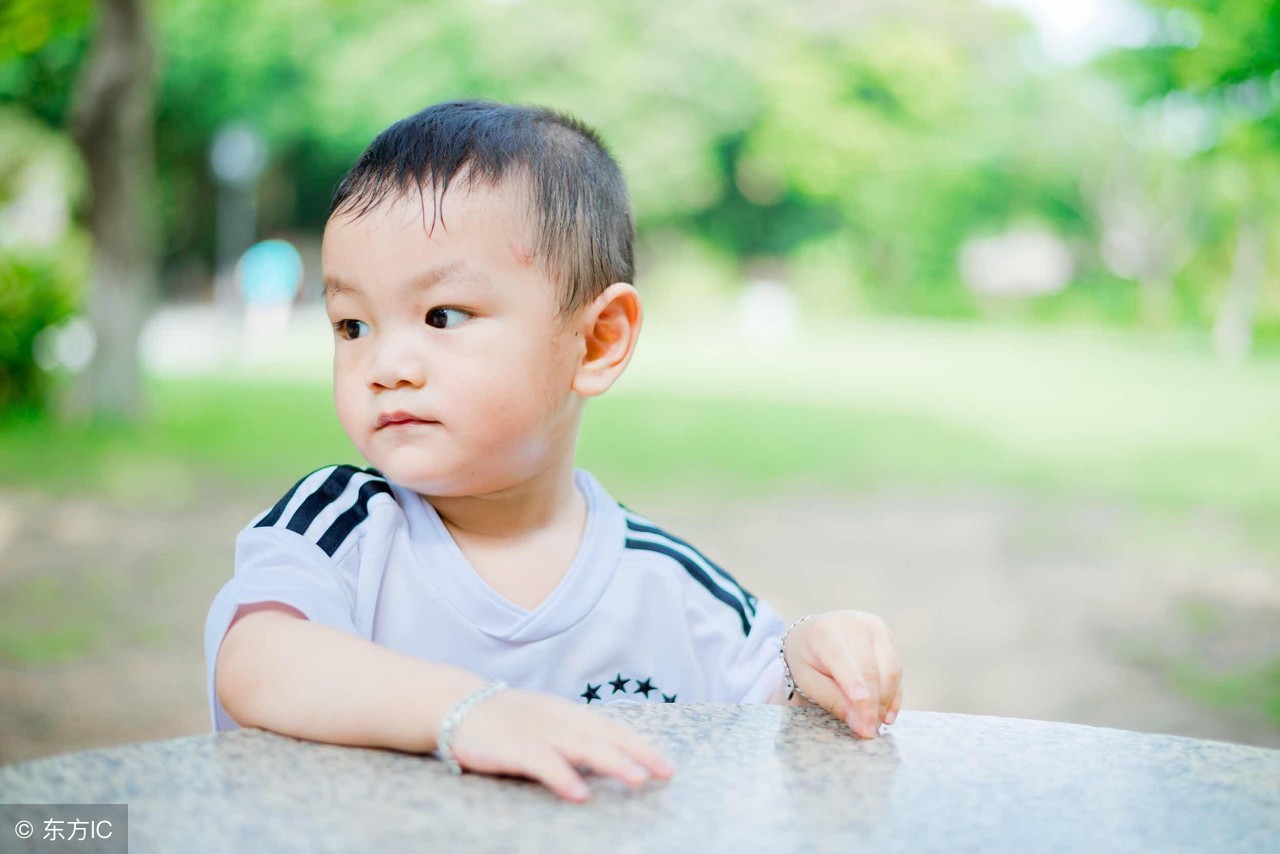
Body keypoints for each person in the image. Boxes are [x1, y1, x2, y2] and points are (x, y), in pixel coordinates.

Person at [205, 100, 904, 804]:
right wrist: (468, 711)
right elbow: (259, 659)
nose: (385, 363)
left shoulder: (665, 583)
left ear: (597, 341)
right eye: (352, 325)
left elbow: (771, 698)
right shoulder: (342, 527)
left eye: (442, 316)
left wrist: (819, 653)